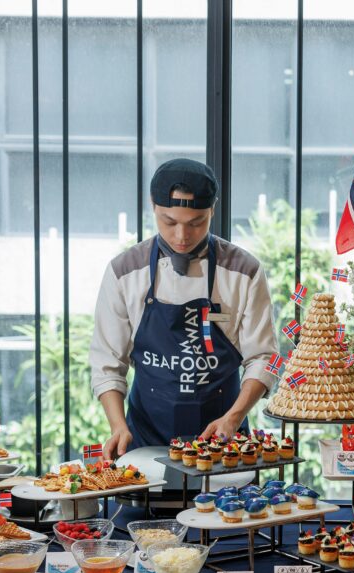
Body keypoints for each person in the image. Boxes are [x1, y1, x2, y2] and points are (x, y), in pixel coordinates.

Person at [90, 158, 278, 459]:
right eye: (169, 222)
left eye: (196, 223)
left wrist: (235, 417)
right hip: (145, 440)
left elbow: (265, 357)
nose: (181, 236)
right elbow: (107, 362)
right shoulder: (125, 272)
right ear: (153, 207)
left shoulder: (244, 271)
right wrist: (117, 425)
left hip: (223, 441)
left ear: (212, 210)